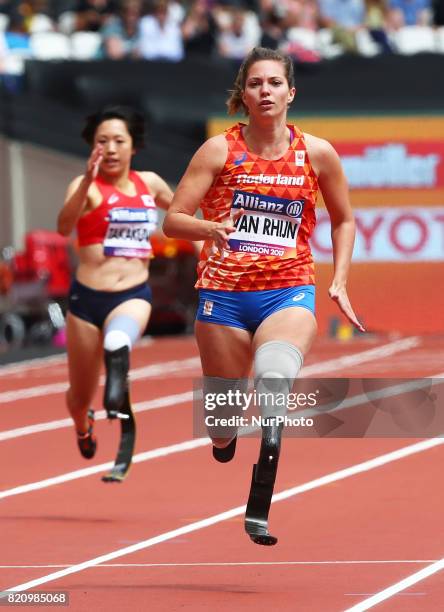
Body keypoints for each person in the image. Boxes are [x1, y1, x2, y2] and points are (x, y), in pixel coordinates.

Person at [163, 46, 364, 544]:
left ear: (290, 92)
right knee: (222, 422)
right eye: (256, 84)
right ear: (244, 94)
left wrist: (338, 277)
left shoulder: (316, 153)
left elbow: (343, 218)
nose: (266, 91)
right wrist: (210, 227)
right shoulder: (217, 151)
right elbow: (172, 221)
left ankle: (263, 485)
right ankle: (227, 439)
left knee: (275, 380)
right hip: (224, 297)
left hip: (288, 290)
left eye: (274, 83)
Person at [57, 106, 173, 462]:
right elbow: (64, 227)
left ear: (132, 147)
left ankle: (118, 366)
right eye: (101, 141)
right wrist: (88, 182)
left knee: (118, 338)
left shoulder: (150, 183)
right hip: (87, 301)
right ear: (92, 148)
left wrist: (211, 244)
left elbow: (183, 216)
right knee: (79, 395)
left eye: (118, 141)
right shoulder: (83, 186)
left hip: (132, 293)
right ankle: (82, 423)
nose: (109, 149)